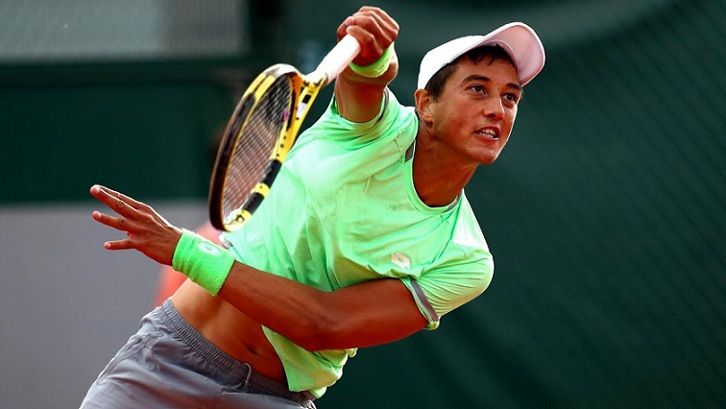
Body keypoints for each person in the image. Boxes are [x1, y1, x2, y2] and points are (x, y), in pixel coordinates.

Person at [81, 6, 545, 409]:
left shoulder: (465, 261)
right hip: (167, 362)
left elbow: (326, 324)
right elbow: (367, 79)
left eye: (510, 97)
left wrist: (185, 251)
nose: (497, 109)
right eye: (478, 89)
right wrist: (373, 51)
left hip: (273, 397)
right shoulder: (375, 127)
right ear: (425, 103)